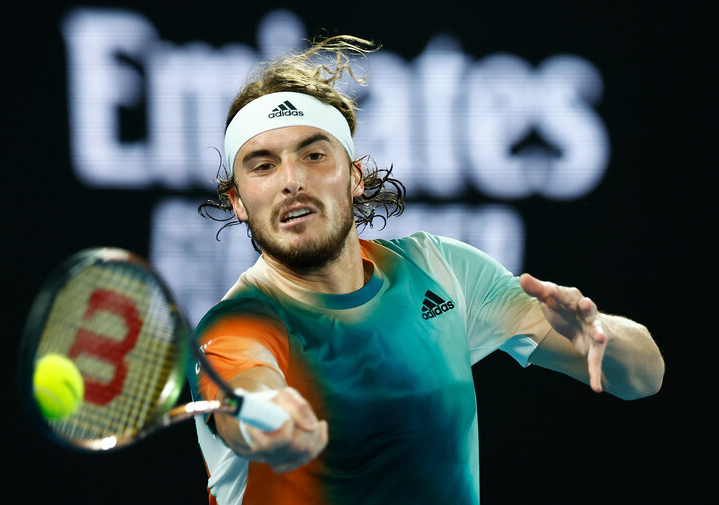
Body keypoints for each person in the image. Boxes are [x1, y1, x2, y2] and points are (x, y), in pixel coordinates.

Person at [187, 35, 664, 505]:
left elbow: (644, 378)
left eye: (314, 155)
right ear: (238, 203)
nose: (292, 181)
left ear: (354, 176)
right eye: (263, 166)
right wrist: (268, 416)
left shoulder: (441, 270)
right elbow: (244, 401)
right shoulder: (234, 327)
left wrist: (598, 334)